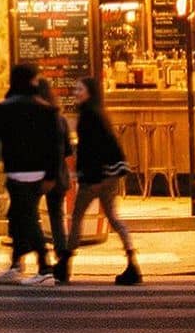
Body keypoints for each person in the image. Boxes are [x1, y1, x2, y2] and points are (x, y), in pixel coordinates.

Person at [0, 62, 59, 286]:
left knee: (26, 217)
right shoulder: (47, 109)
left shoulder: (3, 108)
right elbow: (54, 146)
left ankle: (45, 266)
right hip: (39, 171)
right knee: (19, 215)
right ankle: (16, 264)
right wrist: (51, 174)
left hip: (18, 170)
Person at [56, 76, 141, 285]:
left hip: (94, 177)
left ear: (90, 92)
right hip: (109, 175)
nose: (76, 92)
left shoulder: (88, 115)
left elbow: (90, 149)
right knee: (113, 217)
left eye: (80, 89)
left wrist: (84, 174)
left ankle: (65, 263)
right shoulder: (100, 113)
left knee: (77, 217)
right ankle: (132, 260)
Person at [34, 77, 72, 271]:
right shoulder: (60, 118)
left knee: (31, 215)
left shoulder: (35, 118)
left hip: (38, 174)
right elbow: (68, 150)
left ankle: (42, 257)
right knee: (57, 217)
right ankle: (62, 259)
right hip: (59, 174)